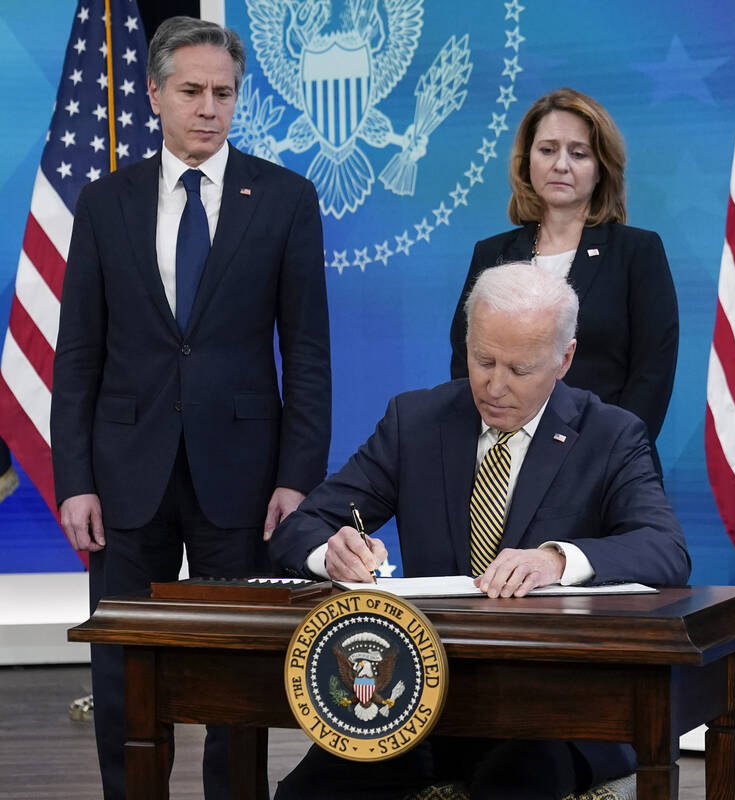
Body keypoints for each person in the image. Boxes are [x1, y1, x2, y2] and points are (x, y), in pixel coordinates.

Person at [271, 262, 690, 799]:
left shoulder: (609, 435)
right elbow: (301, 527)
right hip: (424, 698)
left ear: (564, 358)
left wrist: (557, 561)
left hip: (560, 709)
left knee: (515, 778)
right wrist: (330, 554)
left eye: (519, 369)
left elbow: (665, 548)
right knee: (311, 789)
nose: (494, 386)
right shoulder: (416, 422)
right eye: (483, 360)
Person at [49, 17, 331, 800]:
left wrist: (297, 479)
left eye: (224, 93)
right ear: (154, 96)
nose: (210, 108)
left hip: (242, 477)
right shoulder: (104, 202)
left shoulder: (284, 198)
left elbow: (307, 353)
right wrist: (74, 479)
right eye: (193, 91)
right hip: (122, 476)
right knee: (123, 672)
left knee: (234, 671)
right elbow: (76, 358)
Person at [448, 88, 679, 452]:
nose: (561, 165)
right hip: (504, 461)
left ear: (601, 167)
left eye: (578, 153)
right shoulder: (491, 253)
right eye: (547, 150)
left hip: (604, 462)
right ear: (527, 162)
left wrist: (611, 457)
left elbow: (652, 376)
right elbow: (466, 363)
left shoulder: (637, 251)